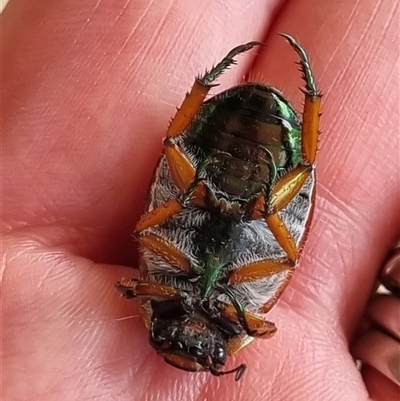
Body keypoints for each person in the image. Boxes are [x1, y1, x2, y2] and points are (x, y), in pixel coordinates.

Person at [2, 0, 399, 400]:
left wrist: (182, 206)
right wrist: (262, 220)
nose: (191, 336)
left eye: (172, 339)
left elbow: (145, 242)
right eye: (205, 350)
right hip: (269, 190)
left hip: (203, 166)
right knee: (302, 172)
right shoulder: (244, 321)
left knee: (174, 150)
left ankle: (209, 89)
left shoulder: (154, 289)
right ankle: (310, 99)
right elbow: (280, 271)